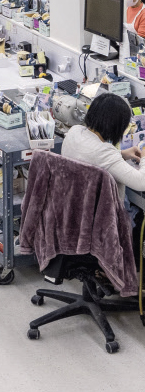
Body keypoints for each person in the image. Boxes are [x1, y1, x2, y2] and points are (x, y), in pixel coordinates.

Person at [61, 93, 145, 265]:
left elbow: (90, 157)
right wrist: (144, 157)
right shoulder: (104, 152)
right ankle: (128, 269)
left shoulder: (74, 132)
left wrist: (122, 154)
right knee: (138, 216)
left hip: (71, 211)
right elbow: (141, 182)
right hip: (99, 221)